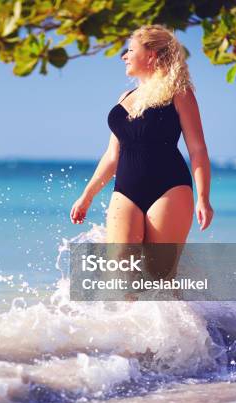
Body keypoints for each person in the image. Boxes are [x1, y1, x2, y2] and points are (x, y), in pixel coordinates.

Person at [70, 24, 213, 244]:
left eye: (130, 50)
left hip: (170, 188)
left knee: (159, 275)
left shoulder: (180, 93)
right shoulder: (125, 97)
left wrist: (203, 198)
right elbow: (111, 156)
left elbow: (197, 149)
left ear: (150, 54)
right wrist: (86, 196)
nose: (124, 57)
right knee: (120, 270)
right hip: (125, 190)